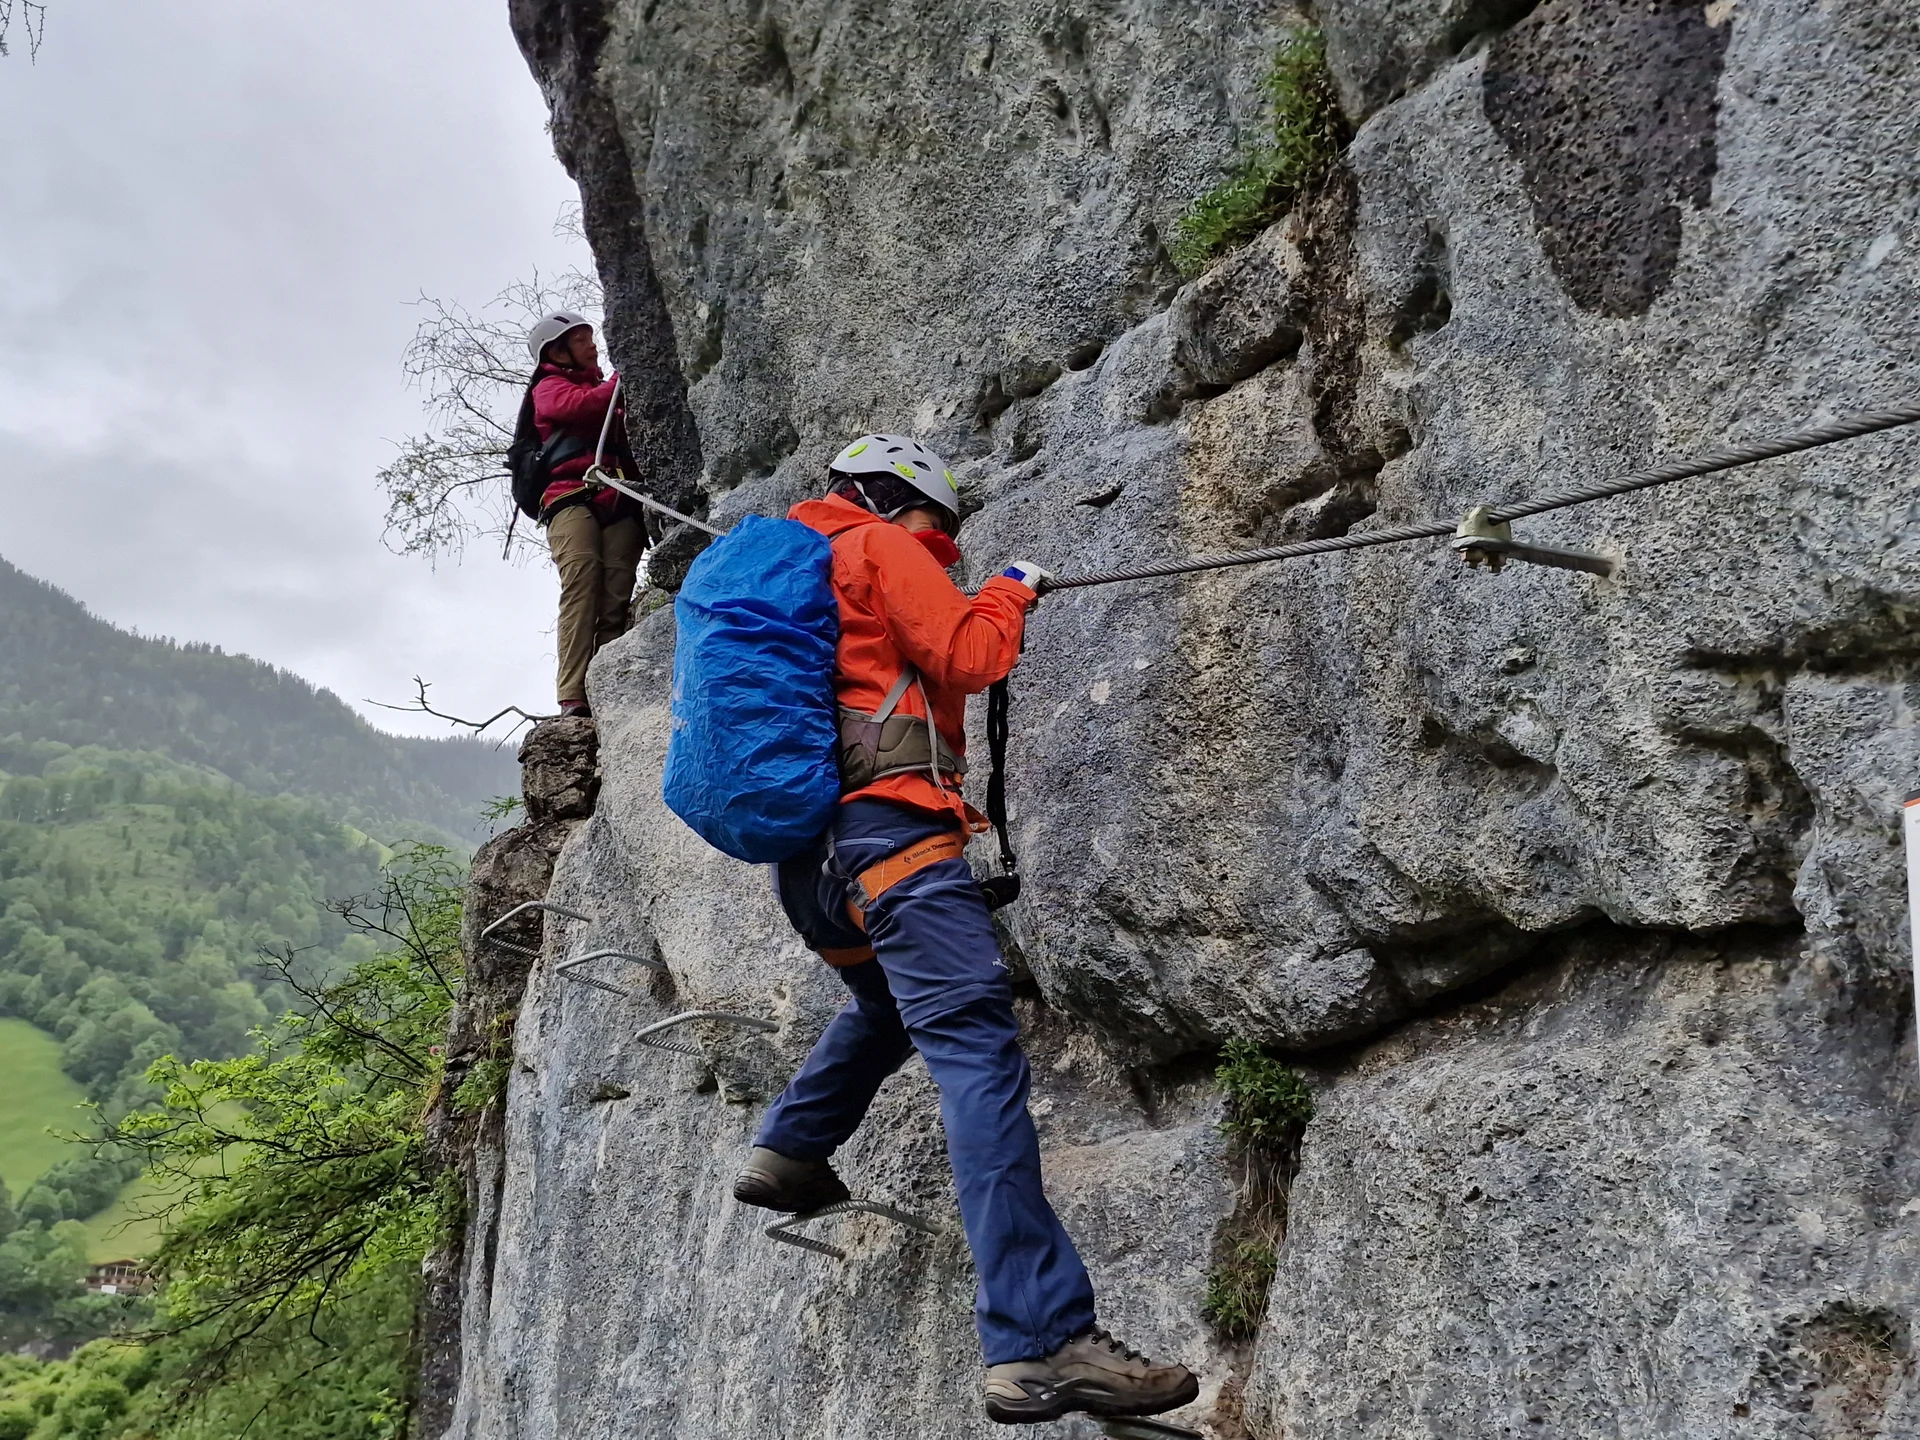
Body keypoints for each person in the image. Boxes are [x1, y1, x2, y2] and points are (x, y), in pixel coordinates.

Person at [731, 434, 1199, 1426]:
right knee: (977, 1056)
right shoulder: (877, 547)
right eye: (936, 528)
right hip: (897, 843)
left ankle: (790, 1148)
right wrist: (1008, 590)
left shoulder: (788, 569)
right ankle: (1038, 1345)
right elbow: (971, 654)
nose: (938, 544)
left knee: (884, 1003)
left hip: (813, 868)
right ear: (905, 504)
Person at [525, 311, 648, 719]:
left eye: (590, 338)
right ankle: (573, 693)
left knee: (615, 592)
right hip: (570, 497)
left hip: (618, 496)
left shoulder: (606, 391)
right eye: (581, 340)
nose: (592, 346)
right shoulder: (549, 388)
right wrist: (623, 375)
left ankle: (604, 686)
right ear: (558, 352)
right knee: (582, 580)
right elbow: (581, 408)